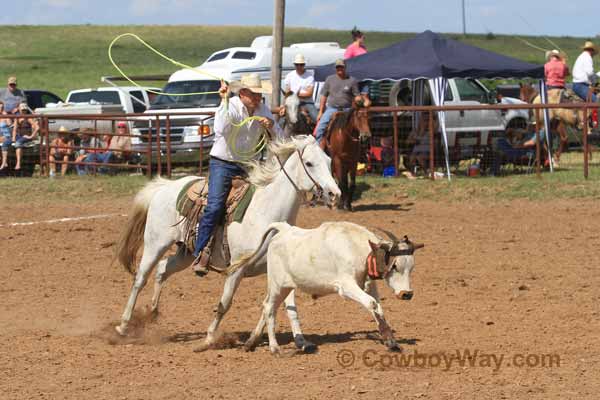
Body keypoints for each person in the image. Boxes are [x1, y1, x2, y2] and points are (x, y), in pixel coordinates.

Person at [191, 73, 282, 275]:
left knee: (265, 203)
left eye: (260, 94)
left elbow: (280, 137)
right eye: (254, 94)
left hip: (248, 164)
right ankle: (200, 251)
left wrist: (272, 126)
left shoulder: (262, 110)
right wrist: (222, 100)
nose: (258, 98)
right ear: (243, 93)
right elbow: (221, 129)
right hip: (223, 163)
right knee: (215, 206)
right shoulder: (230, 105)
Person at [314, 59, 365, 146]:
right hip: (332, 108)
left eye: (341, 67)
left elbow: (356, 95)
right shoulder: (329, 79)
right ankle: (318, 148)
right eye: (338, 67)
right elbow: (324, 96)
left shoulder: (352, 80)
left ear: (345, 67)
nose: (339, 69)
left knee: (359, 126)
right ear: (335, 68)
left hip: (347, 109)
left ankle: (361, 149)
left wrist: (360, 99)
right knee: (320, 128)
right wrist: (321, 112)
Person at [280, 53, 318, 123]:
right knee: (281, 121)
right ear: (294, 65)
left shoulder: (310, 76)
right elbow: (287, 92)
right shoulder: (290, 75)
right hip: (292, 102)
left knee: (317, 118)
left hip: (307, 102)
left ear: (304, 65)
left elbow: (309, 94)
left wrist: (295, 94)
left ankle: (319, 133)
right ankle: (278, 133)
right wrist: (283, 105)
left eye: (301, 64)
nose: (299, 66)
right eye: (297, 64)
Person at [405, 111, 439, 178]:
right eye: (423, 120)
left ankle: (426, 172)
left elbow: (436, 126)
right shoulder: (414, 131)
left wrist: (435, 117)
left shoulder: (430, 132)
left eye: (427, 120)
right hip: (416, 150)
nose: (425, 122)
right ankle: (413, 173)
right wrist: (413, 141)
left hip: (426, 150)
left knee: (420, 158)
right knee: (412, 158)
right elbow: (407, 141)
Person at [12, 103, 39, 171]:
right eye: (22, 110)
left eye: (25, 110)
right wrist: (13, 138)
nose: (24, 111)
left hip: (26, 136)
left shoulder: (28, 118)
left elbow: (37, 127)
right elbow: (14, 129)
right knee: (6, 144)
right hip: (19, 136)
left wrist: (31, 136)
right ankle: (5, 164)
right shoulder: (17, 118)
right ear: (19, 110)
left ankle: (18, 163)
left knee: (18, 143)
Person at [0, 101, 12, 171]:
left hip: (6, 136)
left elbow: (10, 124)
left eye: (2, 107)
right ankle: (4, 162)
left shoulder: (5, 116)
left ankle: (4, 162)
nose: (0, 109)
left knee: (4, 143)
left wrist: (6, 116)